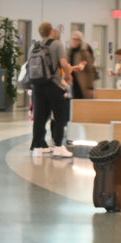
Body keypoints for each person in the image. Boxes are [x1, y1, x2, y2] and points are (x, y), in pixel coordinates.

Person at [30, 22, 76, 158]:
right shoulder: (57, 44)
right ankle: (58, 146)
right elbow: (63, 64)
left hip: (37, 85)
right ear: (51, 31)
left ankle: (37, 148)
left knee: (39, 116)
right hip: (53, 84)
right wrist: (68, 74)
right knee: (59, 115)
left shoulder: (34, 46)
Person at [67, 29, 95, 99]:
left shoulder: (84, 53)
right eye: (73, 39)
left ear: (80, 41)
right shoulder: (69, 52)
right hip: (71, 83)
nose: (74, 41)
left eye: (77, 39)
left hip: (81, 84)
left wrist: (90, 87)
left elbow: (90, 70)